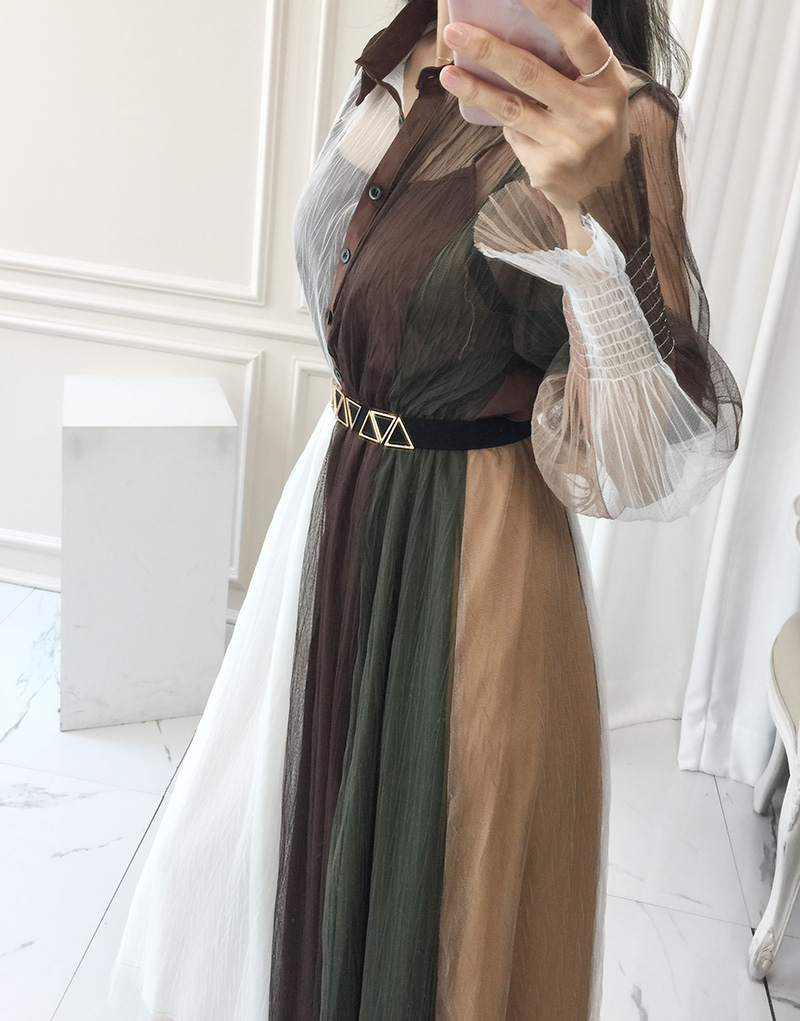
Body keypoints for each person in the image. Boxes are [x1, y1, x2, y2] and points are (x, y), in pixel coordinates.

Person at [108, 0, 743, 1018]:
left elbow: (644, 467)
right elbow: (353, 283)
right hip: (330, 508)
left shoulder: (619, 117)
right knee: (239, 868)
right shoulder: (398, 59)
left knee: (439, 919)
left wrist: (591, 219)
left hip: (476, 556)